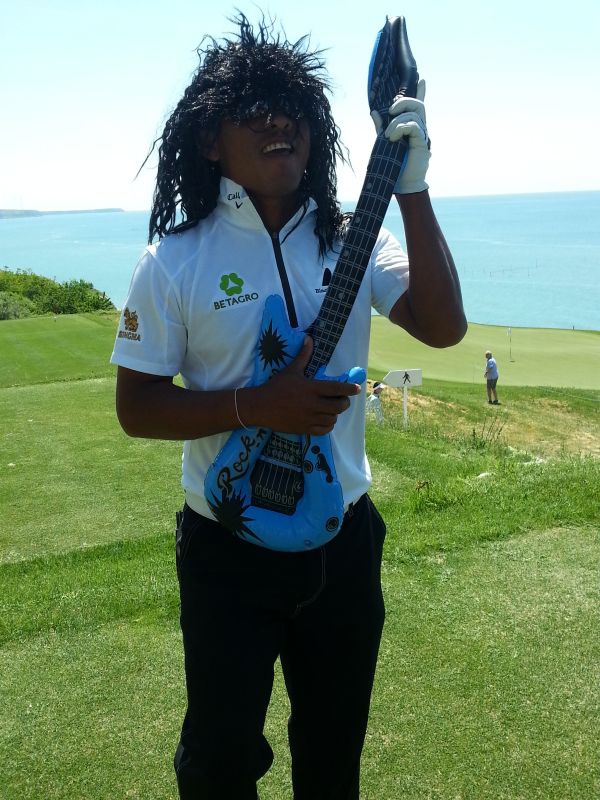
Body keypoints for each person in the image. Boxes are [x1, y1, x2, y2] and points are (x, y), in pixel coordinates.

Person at [110, 13, 466, 799]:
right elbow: (137, 407)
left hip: (345, 543)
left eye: (295, 108)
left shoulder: (355, 238)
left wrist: (412, 189)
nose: (281, 122)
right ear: (211, 141)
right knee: (219, 761)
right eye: (255, 109)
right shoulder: (173, 261)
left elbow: (444, 327)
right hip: (226, 546)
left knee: (334, 758)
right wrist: (257, 405)